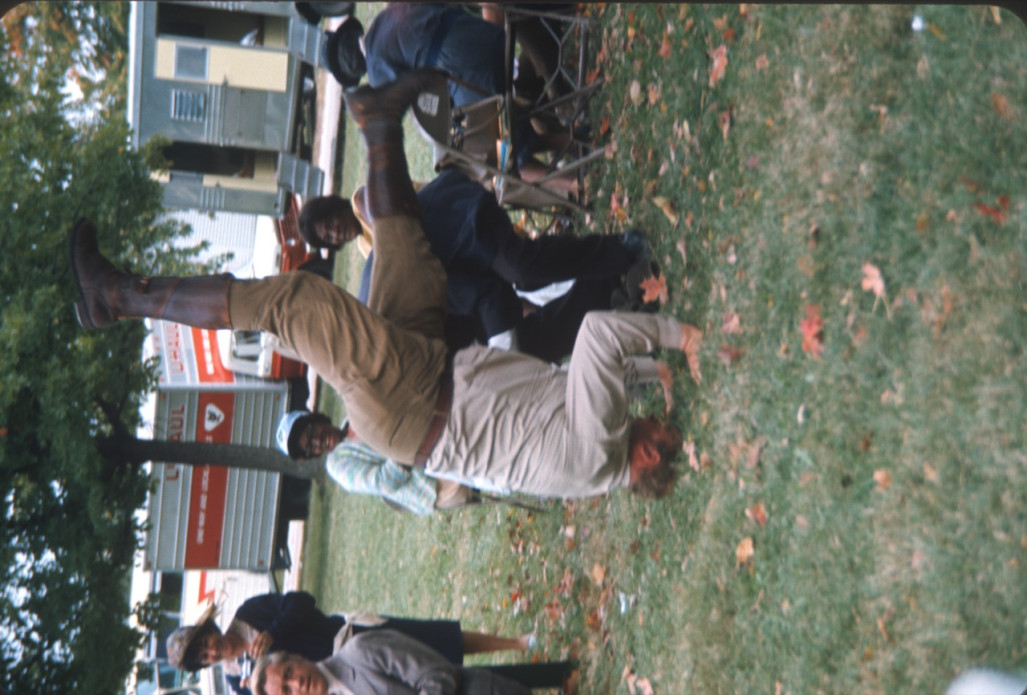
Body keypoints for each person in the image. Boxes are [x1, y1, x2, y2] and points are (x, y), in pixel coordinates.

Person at [68, 68, 700, 500]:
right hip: (433, 377)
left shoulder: (599, 452)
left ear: (643, 458)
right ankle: (377, 122)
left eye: (651, 430)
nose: (638, 420)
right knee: (408, 252)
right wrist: (652, 371)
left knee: (294, 301)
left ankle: (122, 297)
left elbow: (595, 340)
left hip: (412, 404)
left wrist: (678, 338)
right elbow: (597, 389)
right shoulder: (602, 446)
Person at [298, 167, 654, 361]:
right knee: (526, 344)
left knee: (521, 270)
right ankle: (602, 295)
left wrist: (502, 346)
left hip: (462, 220)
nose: (335, 232)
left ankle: (618, 250)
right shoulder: (374, 289)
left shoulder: (370, 211)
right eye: (328, 237)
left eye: (329, 224)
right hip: (456, 272)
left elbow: (478, 293)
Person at [362, 3, 580, 192]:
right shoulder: (390, 14)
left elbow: (417, 102)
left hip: (466, 68)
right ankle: (575, 137)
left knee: (496, 158)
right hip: (488, 37)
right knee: (501, 126)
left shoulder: (376, 69)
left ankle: (575, 184)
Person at [166, 591, 536, 695]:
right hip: (337, 689)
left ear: (210, 630)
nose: (211, 651)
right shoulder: (239, 682)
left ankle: (516, 644)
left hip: (353, 644)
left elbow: (303, 601)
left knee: (440, 645)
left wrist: (274, 631)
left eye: (206, 642)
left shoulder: (250, 615)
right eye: (204, 657)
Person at [275, 410, 474, 514]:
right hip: (432, 484)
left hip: (434, 445)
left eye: (311, 432)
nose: (318, 441)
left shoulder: (353, 417)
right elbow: (383, 482)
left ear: (315, 419)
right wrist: (404, 442)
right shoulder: (336, 465)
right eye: (310, 447)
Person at [251, 636, 539, 695]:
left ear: (297, 658)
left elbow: (437, 674)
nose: (297, 684)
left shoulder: (359, 651)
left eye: (289, 674)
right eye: (287, 692)